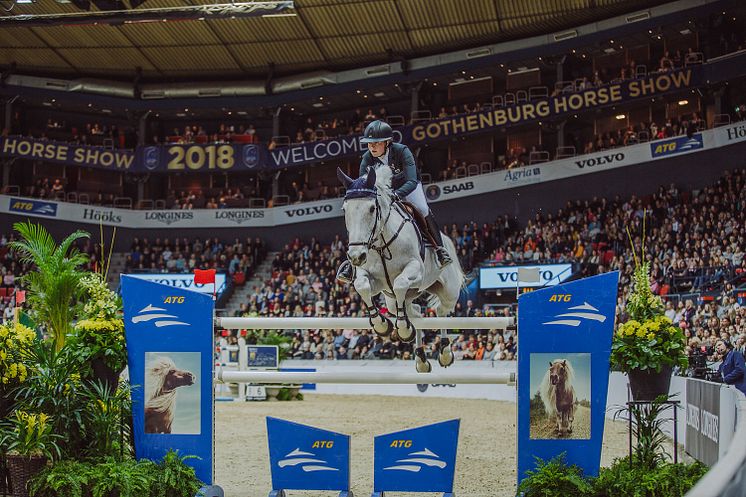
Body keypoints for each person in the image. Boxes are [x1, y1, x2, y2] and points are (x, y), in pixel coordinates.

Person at [337, 120, 452, 283]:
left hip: (408, 188)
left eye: (376, 143)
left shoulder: (402, 151)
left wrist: (395, 195)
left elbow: (411, 181)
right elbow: (364, 185)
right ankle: (352, 265)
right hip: (384, 193)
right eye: (369, 143)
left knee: (422, 208)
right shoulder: (366, 159)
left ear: (387, 142)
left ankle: (440, 250)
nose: (372, 147)